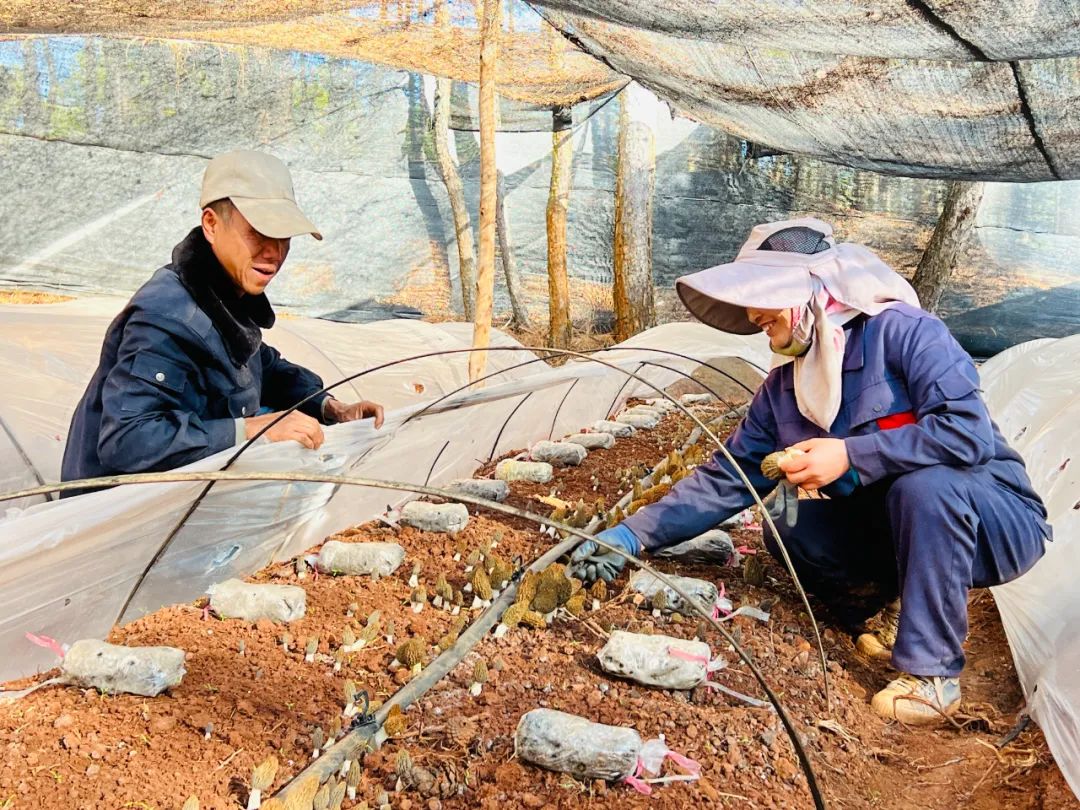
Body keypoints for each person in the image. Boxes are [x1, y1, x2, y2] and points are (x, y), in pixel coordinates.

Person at [568, 218, 1050, 725]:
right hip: (899, 527)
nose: (754, 314)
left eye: (762, 298)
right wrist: (630, 535)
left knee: (925, 485)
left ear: (810, 293)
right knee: (788, 524)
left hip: (993, 520)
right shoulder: (783, 390)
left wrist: (851, 455)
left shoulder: (906, 333)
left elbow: (966, 435)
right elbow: (728, 477)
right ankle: (887, 608)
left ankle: (932, 674)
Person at [62, 150, 384, 493]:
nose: (274, 252)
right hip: (109, 513)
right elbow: (127, 439)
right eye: (259, 231)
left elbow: (262, 365)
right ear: (212, 225)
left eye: (285, 235)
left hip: (177, 489)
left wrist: (331, 409)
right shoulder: (164, 317)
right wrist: (251, 429)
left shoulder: (225, 293)